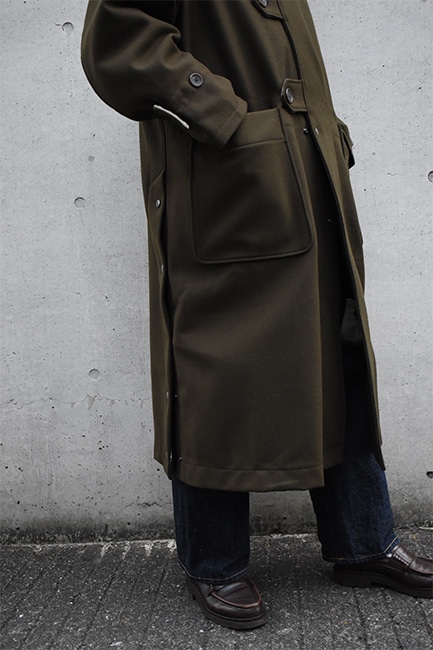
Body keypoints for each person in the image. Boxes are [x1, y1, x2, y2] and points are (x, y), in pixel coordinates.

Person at [81, 0, 432, 629]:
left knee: (340, 348)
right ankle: (214, 561)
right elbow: (120, 40)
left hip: (306, 177)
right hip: (229, 184)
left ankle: (363, 541)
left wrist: (322, 131)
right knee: (217, 363)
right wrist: (221, 115)